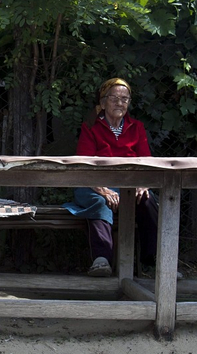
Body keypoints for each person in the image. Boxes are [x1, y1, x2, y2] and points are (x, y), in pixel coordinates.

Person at [63, 78, 158, 277]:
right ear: (103, 102)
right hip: (93, 184)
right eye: (114, 98)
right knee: (99, 203)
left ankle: (154, 261)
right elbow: (84, 164)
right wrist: (103, 189)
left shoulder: (137, 127)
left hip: (128, 185)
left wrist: (143, 185)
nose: (119, 103)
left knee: (148, 201)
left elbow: (147, 161)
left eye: (124, 99)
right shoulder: (91, 127)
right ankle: (101, 260)